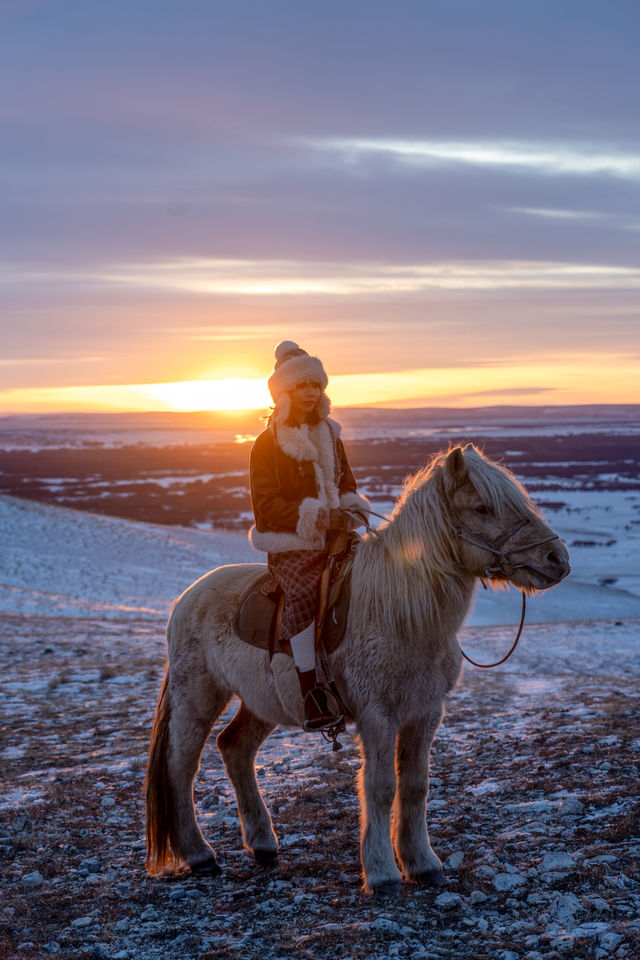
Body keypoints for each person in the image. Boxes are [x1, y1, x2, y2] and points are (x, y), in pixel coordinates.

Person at [249, 341, 370, 731]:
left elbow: (347, 483)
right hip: (292, 546)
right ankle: (311, 693)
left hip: (336, 537)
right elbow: (266, 506)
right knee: (302, 593)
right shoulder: (266, 445)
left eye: (316, 386)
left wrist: (350, 509)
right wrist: (317, 516)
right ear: (283, 393)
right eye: (302, 386)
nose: (311, 393)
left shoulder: (331, 435)